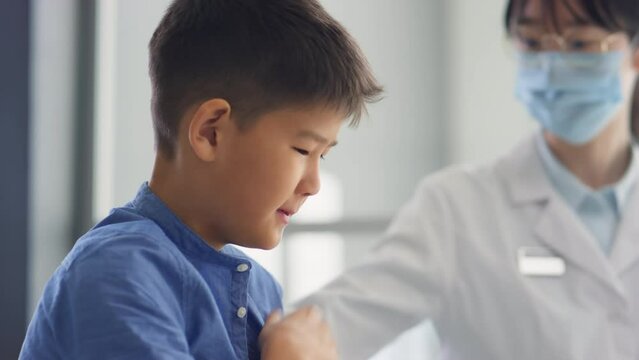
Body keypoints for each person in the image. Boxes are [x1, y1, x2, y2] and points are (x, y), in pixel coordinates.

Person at [19, 0, 381, 359]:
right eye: (303, 150)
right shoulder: (117, 273)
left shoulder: (261, 291)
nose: (314, 184)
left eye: (324, 156)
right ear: (211, 133)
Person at [298, 0, 639, 359]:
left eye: (581, 44)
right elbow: (329, 324)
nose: (551, 65)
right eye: (533, 42)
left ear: (634, 53)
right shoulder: (458, 209)